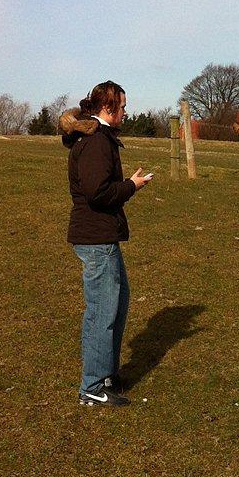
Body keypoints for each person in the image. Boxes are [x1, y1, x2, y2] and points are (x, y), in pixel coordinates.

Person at [59, 81, 151, 406]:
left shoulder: (98, 138)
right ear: (108, 107)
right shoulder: (97, 141)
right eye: (123, 107)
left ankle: (105, 376)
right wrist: (131, 186)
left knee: (116, 303)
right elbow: (97, 193)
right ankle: (93, 387)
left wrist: (128, 184)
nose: (126, 112)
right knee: (102, 310)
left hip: (103, 237)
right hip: (96, 238)